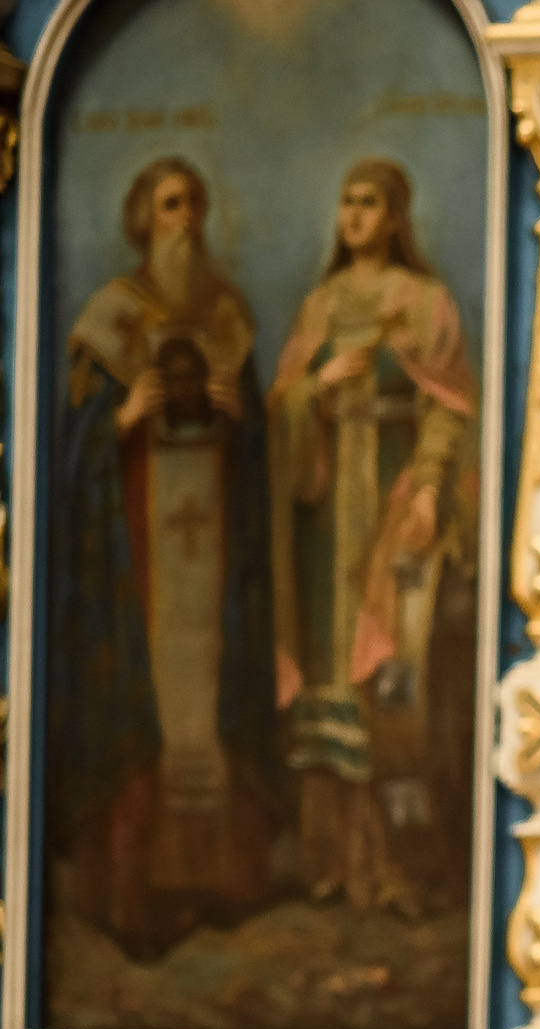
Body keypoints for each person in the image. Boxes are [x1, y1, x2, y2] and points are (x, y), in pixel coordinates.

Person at [48, 156, 278, 961]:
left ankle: (216, 882)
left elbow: (259, 458)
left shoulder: (228, 321)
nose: (186, 221)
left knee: (210, 701)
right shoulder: (107, 322)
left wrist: (240, 417)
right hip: (137, 561)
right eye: (171, 206)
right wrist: (119, 423)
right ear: (141, 218)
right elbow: (69, 458)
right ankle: (135, 886)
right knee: (146, 699)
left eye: (195, 207)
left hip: (213, 559)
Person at [268, 158, 479, 912]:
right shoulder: (322, 304)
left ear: (395, 217)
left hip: (392, 509)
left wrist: (427, 487)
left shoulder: (423, 303)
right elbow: (283, 403)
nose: (354, 215)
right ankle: (330, 864)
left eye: (369, 203)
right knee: (330, 682)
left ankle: (399, 865)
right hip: (327, 522)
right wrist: (314, 390)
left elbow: (451, 406)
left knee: (394, 683)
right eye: (346, 202)